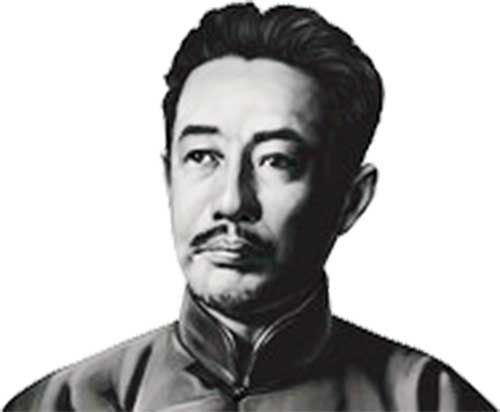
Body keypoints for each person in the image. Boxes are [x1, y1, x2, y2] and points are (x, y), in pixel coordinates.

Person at [3, 3, 496, 411]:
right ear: (169, 178)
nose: (232, 202)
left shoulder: (430, 401)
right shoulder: (63, 403)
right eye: (202, 157)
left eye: (277, 161)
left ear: (351, 200)